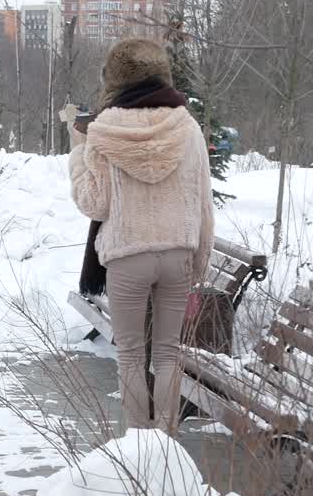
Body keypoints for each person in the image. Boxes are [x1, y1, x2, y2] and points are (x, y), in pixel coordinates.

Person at [68, 37, 214, 434]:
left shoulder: (103, 131)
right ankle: (166, 447)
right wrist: (198, 259)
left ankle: (137, 445)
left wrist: (78, 152)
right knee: (168, 355)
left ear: (115, 80)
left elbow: (93, 204)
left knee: (131, 355)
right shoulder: (189, 129)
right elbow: (203, 202)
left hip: (127, 255)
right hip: (177, 254)